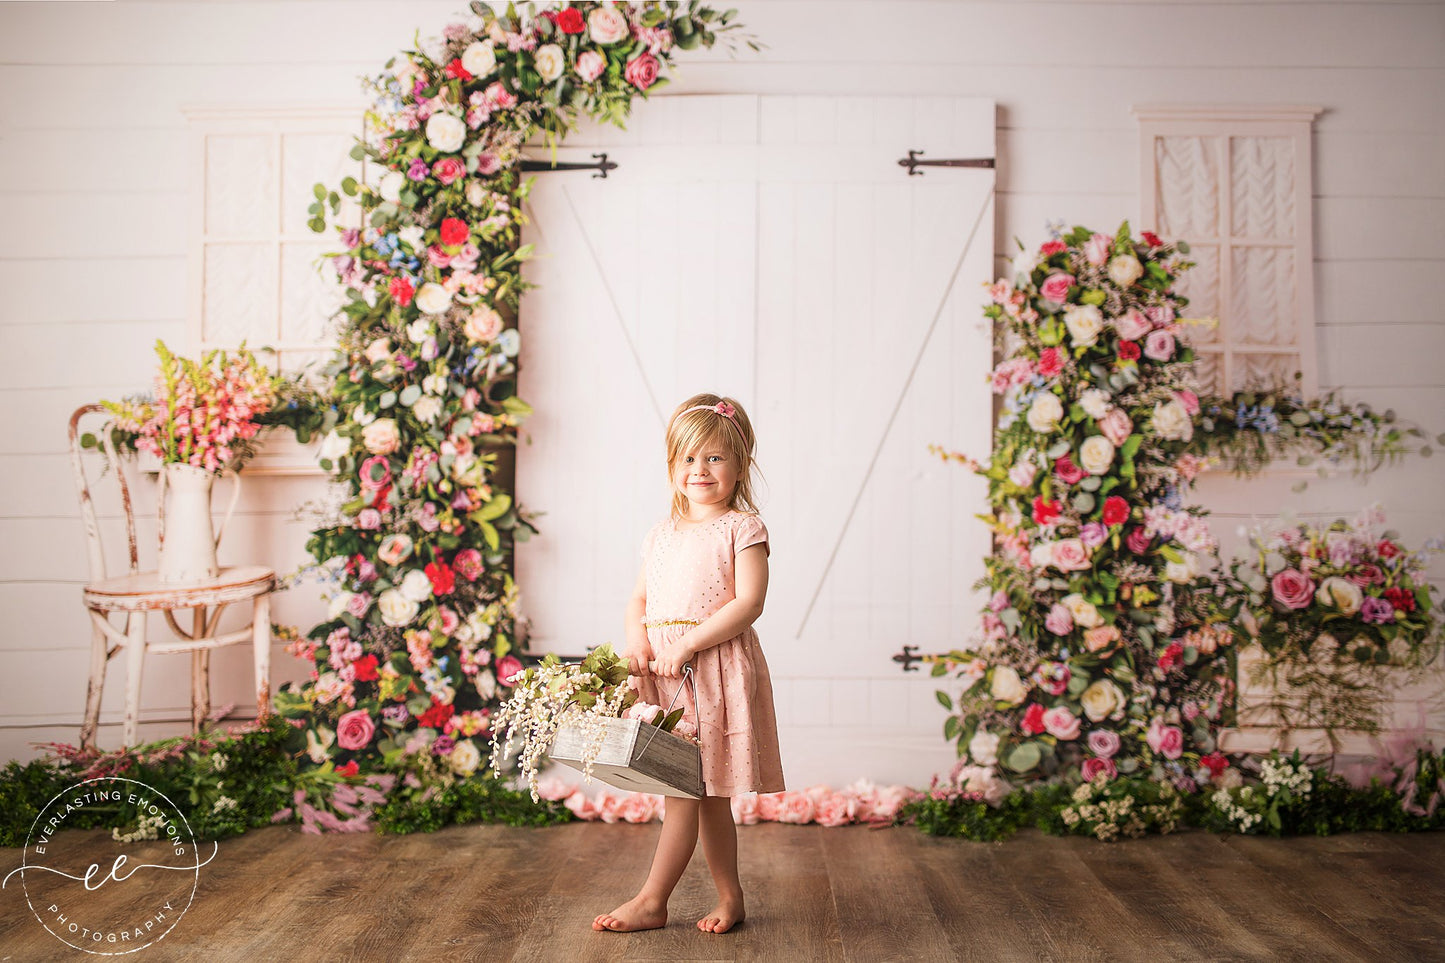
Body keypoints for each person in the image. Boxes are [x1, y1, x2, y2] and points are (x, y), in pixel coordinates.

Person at [592, 392, 785, 936]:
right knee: (694, 792)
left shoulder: (742, 528)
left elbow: (748, 603)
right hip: (664, 677)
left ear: (741, 465)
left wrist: (689, 644)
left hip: (713, 671)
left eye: (715, 458)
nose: (700, 470)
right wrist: (639, 643)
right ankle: (732, 896)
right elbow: (639, 600)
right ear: (673, 466)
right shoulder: (660, 534)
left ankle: (655, 900)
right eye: (689, 459)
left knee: (698, 792)